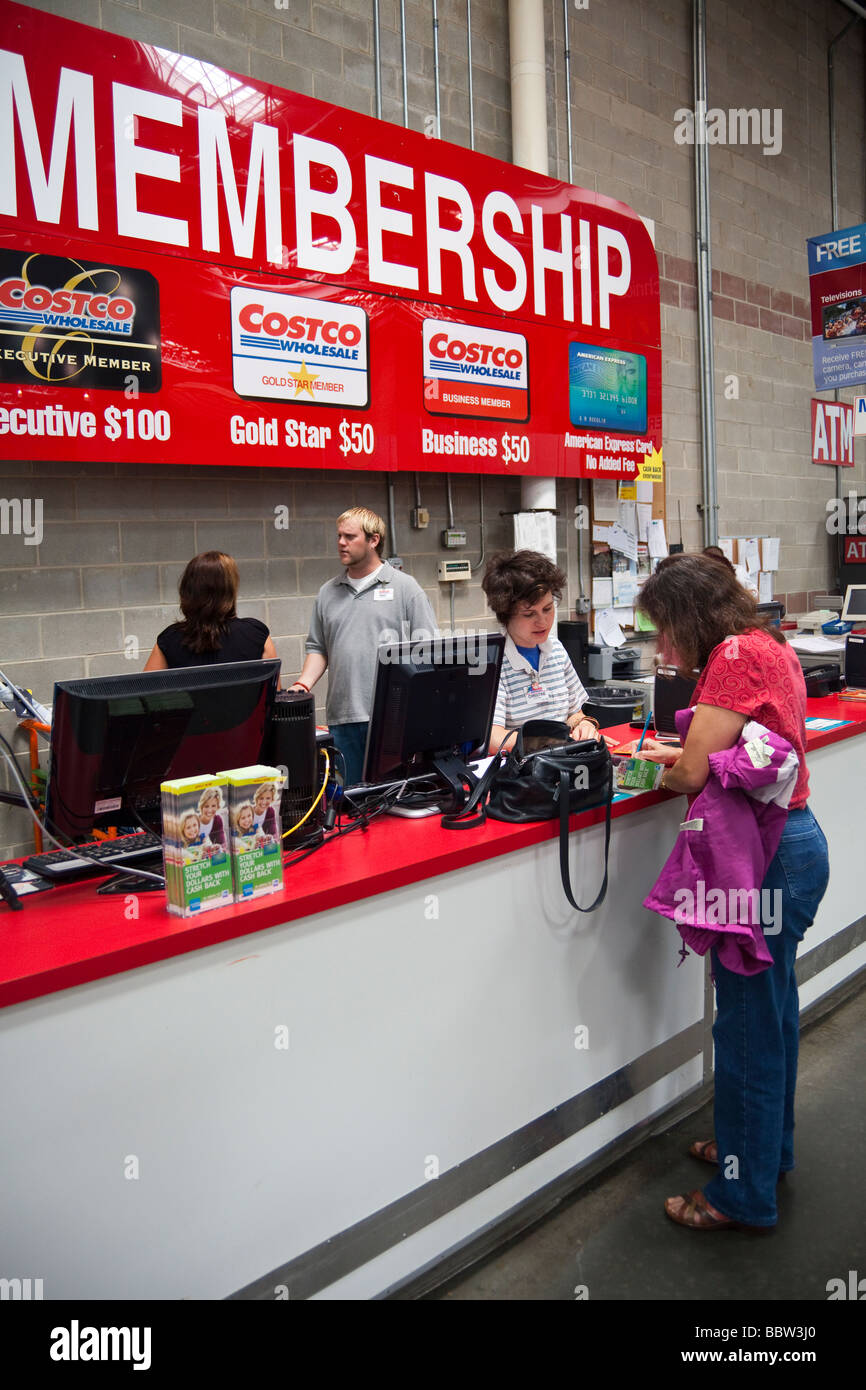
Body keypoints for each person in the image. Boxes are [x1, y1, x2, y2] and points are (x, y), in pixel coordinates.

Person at [633, 554, 829, 1232]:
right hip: (798, 848)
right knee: (770, 1017)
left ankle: (739, 1195)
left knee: (743, 1028)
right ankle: (762, 1153)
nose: (664, 646)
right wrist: (687, 759)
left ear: (690, 617)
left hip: (768, 863)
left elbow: (692, 775)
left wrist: (659, 773)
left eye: (665, 629)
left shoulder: (732, 658)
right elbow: (739, 748)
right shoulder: (768, 642)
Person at [289, 507, 438, 785]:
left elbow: (429, 651)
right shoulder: (327, 592)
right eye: (339, 536)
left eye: (350, 536)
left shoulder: (405, 588)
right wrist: (303, 684)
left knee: (393, 797)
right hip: (343, 717)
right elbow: (318, 647)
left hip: (392, 718)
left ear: (373, 540)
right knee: (351, 801)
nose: (341, 543)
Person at [480, 550, 602, 751]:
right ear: (505, 614)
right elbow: (492, 738)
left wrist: (584, 725)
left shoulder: (556, 650)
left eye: (547, 609)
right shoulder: (493, 662)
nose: (543, 621)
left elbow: (574, 713)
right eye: (529, 614)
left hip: (560, 763)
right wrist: (550, 743)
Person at [144, 551, 280, 679]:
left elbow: (145, 694)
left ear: (188, 589)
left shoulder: (169, 639)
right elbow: (274, 696)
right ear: (229, 590)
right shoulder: (256, 633)